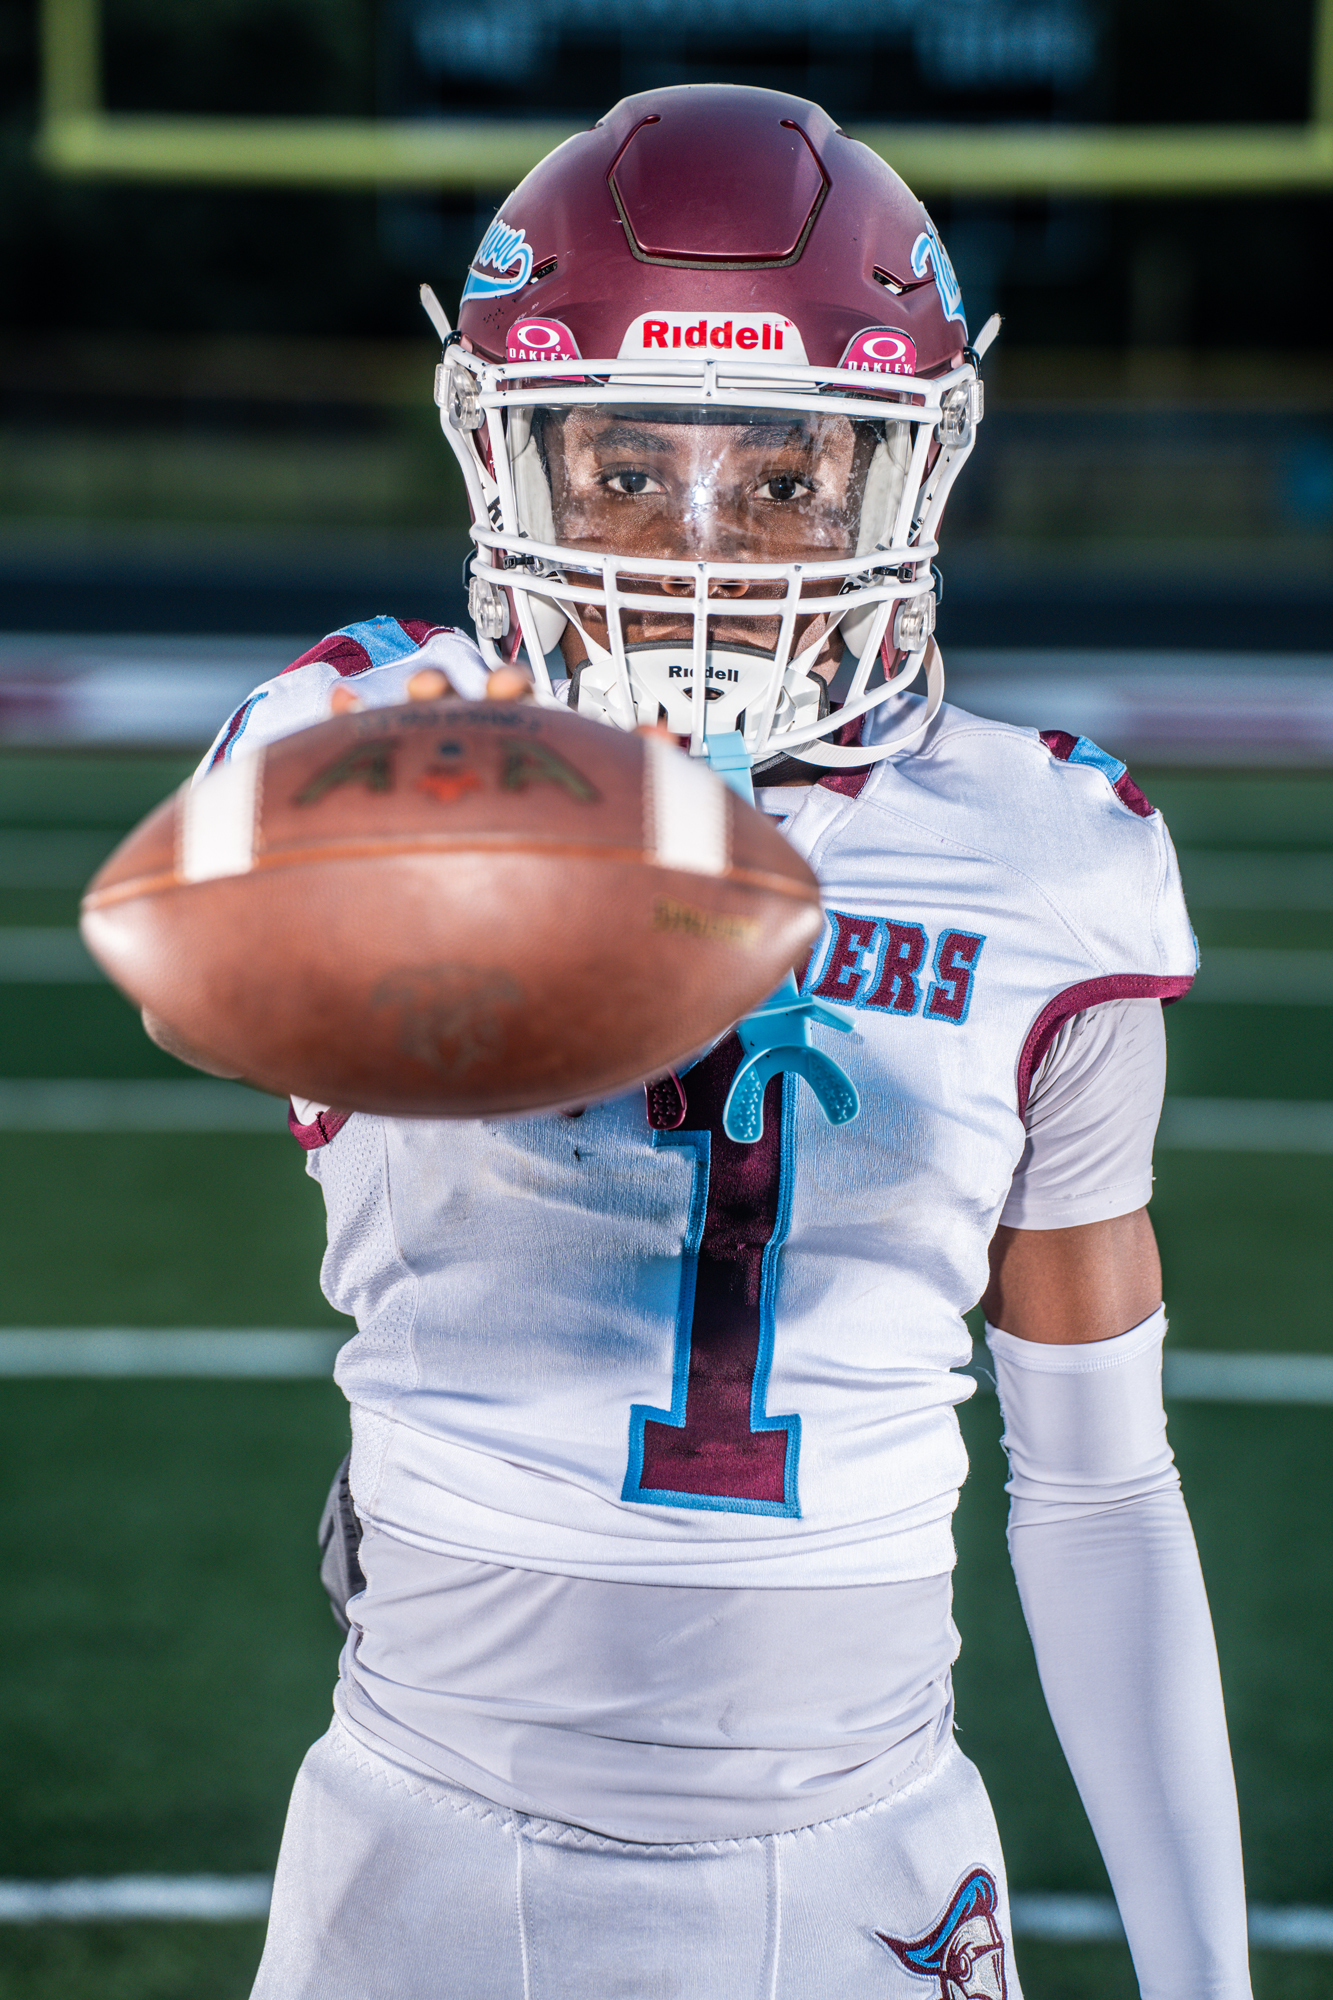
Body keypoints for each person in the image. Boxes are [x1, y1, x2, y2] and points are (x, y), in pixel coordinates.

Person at [196, 84, 1251, 2000]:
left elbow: (1098, 1483)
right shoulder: (377, 740)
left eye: (779, 482)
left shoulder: (1046, 855)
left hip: (871, 1863)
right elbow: (214, 965)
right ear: (505, 457)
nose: (698, 550)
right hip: (423, 1842)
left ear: (901, 478)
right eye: (623, 472)